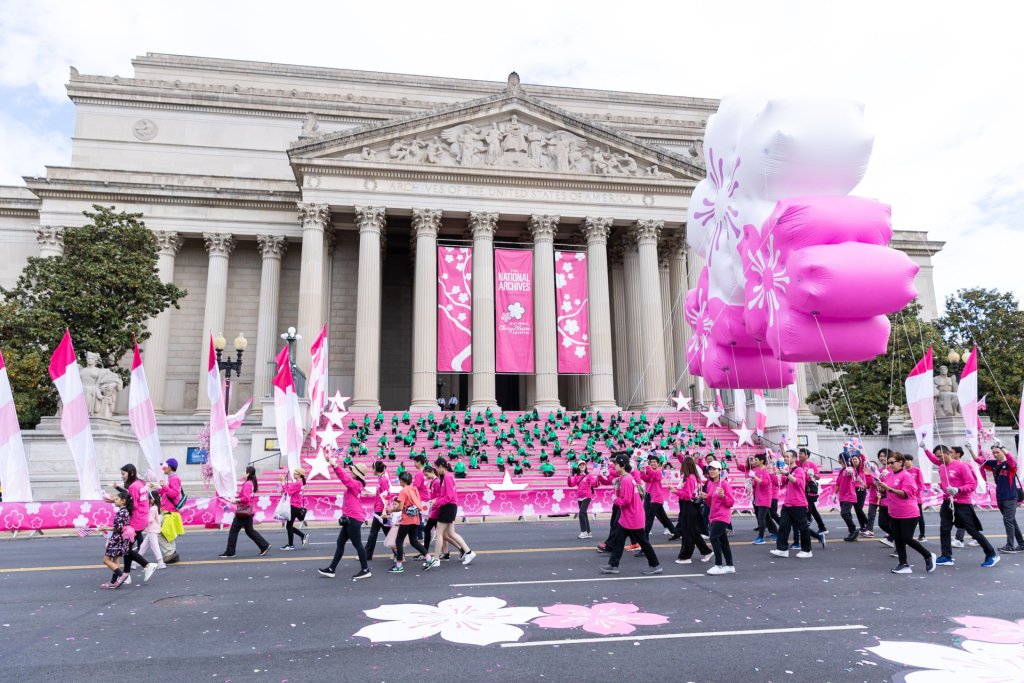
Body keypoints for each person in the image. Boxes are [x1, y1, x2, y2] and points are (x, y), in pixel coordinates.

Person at [925, 442, 999, 567]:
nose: (938, 459)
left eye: (940, 456)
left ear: (948, 453)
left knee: (972, 531)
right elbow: (945, 484)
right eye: (937, 457)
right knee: (944, 529)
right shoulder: (942, 467)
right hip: (948, 502)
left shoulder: (962, 466)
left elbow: (971, 485)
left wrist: (958, 489)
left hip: (963, 503)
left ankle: (992, 554)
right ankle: (946, 556)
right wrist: (938, 486)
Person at [599, 453, 662, 575]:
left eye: (616, 464)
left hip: (633, 517)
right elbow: (624, 497)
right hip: (628, 517)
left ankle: (655, 565)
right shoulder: (624, 478)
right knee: (619, 540)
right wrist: (617, 489)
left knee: (643, 542)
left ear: (622, 465)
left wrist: (615, 499)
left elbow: (625, 501)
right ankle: (613, 565)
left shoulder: (627, 480)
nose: (614, 466)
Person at [878, 452, 935, 574]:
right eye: (888, 463)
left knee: (906, 538)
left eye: (892, 462)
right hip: (893, 512)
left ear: (900, 462)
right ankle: (903, 564)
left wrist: (888, 488)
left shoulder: (906, 476)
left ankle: (928, 555)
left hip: (908, 513)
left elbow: (906, 494)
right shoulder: (889, 475)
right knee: (898, 540)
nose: (890, 465)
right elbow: (886, 491)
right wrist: (881, 488)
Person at [318, 459, 372, 580]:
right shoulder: (356, 484)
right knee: (340, 542)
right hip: (350, 517)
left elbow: (344, 478)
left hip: (353, 518)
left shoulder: (356, 484)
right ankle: (331, 569)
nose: (351, 471)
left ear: (357, 473)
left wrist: (334, 465)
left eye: (353, 470)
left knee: (357, 544)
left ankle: (365, 569)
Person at [770, 450, 826, 559]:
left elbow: (798, 482)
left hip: (798, 503)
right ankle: (782, 549)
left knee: (803, 527)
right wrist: (773, 473)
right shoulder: (788, 470)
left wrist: (786, 474)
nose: (785, 458)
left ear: (794, 458)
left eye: (787, 456)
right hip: (788, 503)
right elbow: (779, 483)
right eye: (784, 456)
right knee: (783, 526)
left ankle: (807, 550)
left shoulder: (799, 470)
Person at [99, 490, 157, 588]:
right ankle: (113, 582)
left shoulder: (122, 512)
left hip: (117, 539)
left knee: (106, 560)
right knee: (115, 559)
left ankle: (121, 575)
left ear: (123, 501)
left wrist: (105, 528)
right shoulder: (125, 511)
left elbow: (119, 528)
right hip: (121, 539)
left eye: (116, 499)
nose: (114, 500)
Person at [425, 458, 475, 569]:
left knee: (439, 532)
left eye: (437, 468)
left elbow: (449, 497)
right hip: (448, 506)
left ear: (441, 466)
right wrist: (436, 500)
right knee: (450, 534)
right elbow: (446, 495)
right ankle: (468, 552)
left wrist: (437, 502)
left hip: (448, 507)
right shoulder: (446, 477)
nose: (436, 470)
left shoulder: (447, 477)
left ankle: (436, 559)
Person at [972, 443, 1024, 553]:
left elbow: (1012, 461)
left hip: (1011, 497)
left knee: (1008, 520)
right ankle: (1022, 544)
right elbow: (978, 460)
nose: (995, 455)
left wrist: (1003, 448)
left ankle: (1010, 545)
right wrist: (970, 449)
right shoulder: (994, 464)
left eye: (998, 452)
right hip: (1000, 498)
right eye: (994, 453)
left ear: (1002, 452)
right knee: (1011, 521)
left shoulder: (1010, 465)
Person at [220, 465, 271, 558]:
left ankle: (230, 552)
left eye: (245, 471)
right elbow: (243, 495)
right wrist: (234, 497)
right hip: (248, 511)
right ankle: (264, 545)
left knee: (233, 531)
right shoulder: (250, 483)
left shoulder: (248, 484)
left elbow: (246, 498)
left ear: (248, 473)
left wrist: (237, 500)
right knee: (249, 531)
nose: (243, 473)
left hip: (244, 511)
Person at [388, 471, 432, 573]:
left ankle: (399, 566)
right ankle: (429, 558)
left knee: (399, 541)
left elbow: (400, 507)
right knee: (414, 541)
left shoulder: (403, 491)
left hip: (407, 520)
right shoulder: (414, 489)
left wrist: (391, 510)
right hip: (415, 519)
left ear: (402, 481)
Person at [674, 457, 713, 564]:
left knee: (688, 532)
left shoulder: (690, 478)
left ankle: (686, 556)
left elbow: (688, 495)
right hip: (689, 505)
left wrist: (676, 491)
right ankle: (706, 551)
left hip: (689, 505)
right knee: (692, 531)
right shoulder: (693, 477)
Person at [115, 464, 150, 580]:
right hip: (143, 518)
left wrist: (118, 503)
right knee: (127, 548)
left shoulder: (133, 486)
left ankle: (147, 565)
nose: (122, 476)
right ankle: (126, 574)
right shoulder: (140, 483)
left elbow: (133, 505)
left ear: (131, 473)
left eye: (123, 474)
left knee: (126, 548)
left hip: (136, 520)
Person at [705, 461, 736, 575]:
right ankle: (730, 565)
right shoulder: (710, 484)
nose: (712, 471)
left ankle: (718, 565)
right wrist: (705, 497)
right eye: (710, 469)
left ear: (720, 471)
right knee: (723, 542)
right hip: (713, 515)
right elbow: (710, 503)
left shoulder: (725, 484)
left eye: (714, 469)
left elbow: (731, 502)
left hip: (722, 516)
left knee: (713, 538)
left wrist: (723, 496)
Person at [640, 454, 678, 540]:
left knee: (650, 517)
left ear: (658, 464)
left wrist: (647, 467)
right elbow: (647, 479)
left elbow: (653, 474)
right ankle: (675, 532)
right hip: (651, 496)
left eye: (654, 462)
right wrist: (642, 471)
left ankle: (645, 537)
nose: (653, 463)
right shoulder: (651, 471)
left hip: (656, 497)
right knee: (664, 518)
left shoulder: (658, 471)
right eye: (651, 462)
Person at [155, 459, 185, 563]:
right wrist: (158, 489)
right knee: (168, 533)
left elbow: (174, 494)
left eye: (164, 467)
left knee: (158, 533)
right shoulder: (171, 478)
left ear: (170, 467)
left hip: (169, 511)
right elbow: (167, 493)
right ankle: (171, 553)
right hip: (167, 510)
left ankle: (170, 553)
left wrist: (164, 486)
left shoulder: (174, 479)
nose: (163, 469)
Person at [837, 453, 869, 541]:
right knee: (850, 512)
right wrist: (834, 494)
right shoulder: (845, 469)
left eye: (856, 459)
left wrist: (856, 449)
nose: (854, 460)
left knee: (853, 510)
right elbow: (838, 483)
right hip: (847, 494)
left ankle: (865, 526)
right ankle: (856, 530)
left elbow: (853, 470)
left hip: (856, 492)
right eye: (852, 459)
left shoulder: (856, 468)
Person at [797, 448, 827, 537]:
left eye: (801, 453)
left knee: (808, 511)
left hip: (809, 490)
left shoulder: (811, 464)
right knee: (813, 510)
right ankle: (822, 527)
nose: (800, 455)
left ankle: (805, 529)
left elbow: (818, 477)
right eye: (799, 453)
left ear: (807, 455)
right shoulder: (798, 463)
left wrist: (812, 474)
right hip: (801, 490)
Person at [364, 461, 391, 561]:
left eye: (372, 468)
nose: (372, 470)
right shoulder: (381, 478)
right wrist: (371, 495)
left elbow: (387, 495)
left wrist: (384, 510)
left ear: (375, 469)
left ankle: (367, 555)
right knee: (388, 533)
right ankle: (399, 554)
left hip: (381, 510)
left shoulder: (383, 480)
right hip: (380, 509)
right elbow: (381, 494)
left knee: (373, 532)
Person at [749, 453, 778, 544]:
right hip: (759, 496)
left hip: (765, 497)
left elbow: (765, 483)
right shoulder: (757, 471)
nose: (754, 461)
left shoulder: (765, 471)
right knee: (767, 518)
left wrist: (754, 477)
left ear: (761, 461)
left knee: (761, 518)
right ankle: (777, 534)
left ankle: (760, 538)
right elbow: (756, 484)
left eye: (756, 460)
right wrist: (750, 482)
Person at [279, 468, 309, 550]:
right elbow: (291, 490)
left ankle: (291, 544)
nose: (293, 474)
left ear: (299, 474)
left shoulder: (298, 483)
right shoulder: (300, 483)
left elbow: (287, 493)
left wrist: (282, 482)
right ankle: (301, 537)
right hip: (296, 506)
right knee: (289, 526)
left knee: (289, 526)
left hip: (293, 506)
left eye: (295, 473)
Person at [568, 460, 598, 539]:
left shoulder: (589, 475)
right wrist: (568, 477)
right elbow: (571, 485)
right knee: (584, 514)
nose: (582, 466)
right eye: (580, 465)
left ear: (585, 466)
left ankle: (583, 532)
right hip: (579, 497)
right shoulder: (576, 476)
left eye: (583, 465)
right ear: (578, 466)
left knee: (581, 513)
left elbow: (594, 484)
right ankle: (588, 532)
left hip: (587, 496)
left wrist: (598, 478)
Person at [139, 489, 165, 569]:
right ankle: (135, 561)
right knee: (143, 546)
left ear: (152, 499)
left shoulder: (153, 508)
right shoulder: (156, 507)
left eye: (148, 498)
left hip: (152, 530)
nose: (147, 500)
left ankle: (161, 562)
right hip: (152, 530)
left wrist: (142, 519)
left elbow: (150, 520)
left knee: (154, 546)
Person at [904, 453, 927, 541]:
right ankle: (908, 536)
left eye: (908, 460)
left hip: (916, 498)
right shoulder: (903, 471)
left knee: (919, 516)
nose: (907, 462)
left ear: (912, 461)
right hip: (906, 498)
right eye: (905, 460)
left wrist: (913, 493)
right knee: (906, 518)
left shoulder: (917, 471)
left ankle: (922, 535)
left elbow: (921, 485)